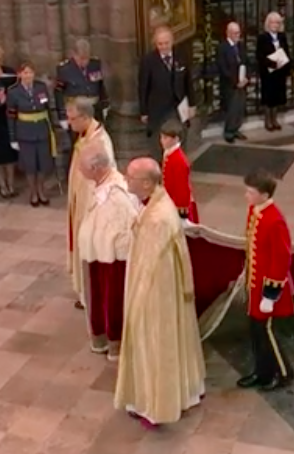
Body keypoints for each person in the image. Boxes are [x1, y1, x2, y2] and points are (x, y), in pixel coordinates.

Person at [115, 157, 205, 429]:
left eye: (130, 176)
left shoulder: (157, 218)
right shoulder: (157, 201)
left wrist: (136, 304)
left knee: (153, 343)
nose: (125, 179)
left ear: (146, 183)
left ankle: (154, 404)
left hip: (155, 291)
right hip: (163, 285)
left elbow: (149, 264)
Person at [77, 145, 138, 361]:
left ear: (95, 168)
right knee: (100, 298)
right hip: (99, 256)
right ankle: (103, 337)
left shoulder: (117, 192)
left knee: (113, 302)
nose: (80, 171)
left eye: (82, 167)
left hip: (113, 261)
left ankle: (116, 342)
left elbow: (128, 225)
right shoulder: (101, 183)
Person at [237, 170, 294, 391]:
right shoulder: (255, 211)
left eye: (250, 192)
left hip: (268, 290)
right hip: (256, 285)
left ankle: (283, 373)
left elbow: (281, 260)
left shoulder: (275, 221)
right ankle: (262, 372)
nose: (246, 196)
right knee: (256, 332)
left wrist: (270, 295)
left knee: (266, 333)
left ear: (264, 195)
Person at [66, 97, 116, 311]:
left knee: (90, 248)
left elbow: (104, 176)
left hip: (91, 206)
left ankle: (92, 295)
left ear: (85, 117)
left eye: (72, 119)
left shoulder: (99, 141)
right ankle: (84, 292)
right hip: (79, 203)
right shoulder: (84, 135)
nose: (69, 123)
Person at [138, 26, 195, 161]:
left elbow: (188, 81)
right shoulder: (148, 61)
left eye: (166, 43)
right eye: (160, 44)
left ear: (172, 41)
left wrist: (192, 104)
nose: (163, 47)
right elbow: (143, 87)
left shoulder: (181, 56)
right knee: (160, 145)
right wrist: (144, 111)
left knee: (181, 139)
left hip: (179, 107)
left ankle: (179, 165)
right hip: (158, 110)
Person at [6, 62, 56, 207]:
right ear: (19, 74)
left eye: (30, 72)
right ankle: (33, 192)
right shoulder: (13, 92)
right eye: (25, 73)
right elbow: (11, 116)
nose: (28, 76)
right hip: (25, 133)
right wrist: (13, 137)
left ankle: (41, 190)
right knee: (30, 165)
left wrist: (52, 128)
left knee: (43, 164)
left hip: (42, 130)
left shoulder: (41, 87)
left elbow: (47, 108)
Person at [54, 39, 110, 125]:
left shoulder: (95, 64)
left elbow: (100, 86)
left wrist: (105, 104)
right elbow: (59, 93)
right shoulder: (64, 69)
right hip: (76, 111)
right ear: (74, 55)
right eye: (81, 59)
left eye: (87, 58)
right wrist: (62, 116)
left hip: (95, 110)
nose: (85, 62)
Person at [256, 12, 291, 131]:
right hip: (268, 72)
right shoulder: (262, 38)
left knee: (277, 96)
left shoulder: (282, 37)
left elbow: (287, 51)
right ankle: (268, 120)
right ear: (268, 24)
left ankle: (275, 119)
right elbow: (260, 56)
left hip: (280, 72)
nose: (275, 25)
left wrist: (286, 66)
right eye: (272, 22)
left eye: (277, 23)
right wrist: (272, 64)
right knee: (268, 97)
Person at [160, 119, 199, 223]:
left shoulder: (179, 160)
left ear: (176, 139)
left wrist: (181, 208)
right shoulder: (169, 153)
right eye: (161, 137)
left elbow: (182, 186)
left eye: (165, 138)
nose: (161, 141)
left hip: (177, 204)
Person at [217, 22, 249, 143]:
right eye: (235, 33)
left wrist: (246, 78)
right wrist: (235, 82)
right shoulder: (222, 47)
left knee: (240, 107)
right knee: (232, 108)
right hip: (230, 84)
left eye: (239, 33)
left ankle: (236, 128)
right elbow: (223, 68)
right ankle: (229, 131)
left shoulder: (241, 46)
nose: (238, 35)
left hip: (242, 82)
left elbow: (246, 62)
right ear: (228, 33)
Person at [0, 47, 17, 198]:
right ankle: (2, 185)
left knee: (9, 153)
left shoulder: (9, 72)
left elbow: (17, 91)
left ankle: (11, 184)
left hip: (7, 118)